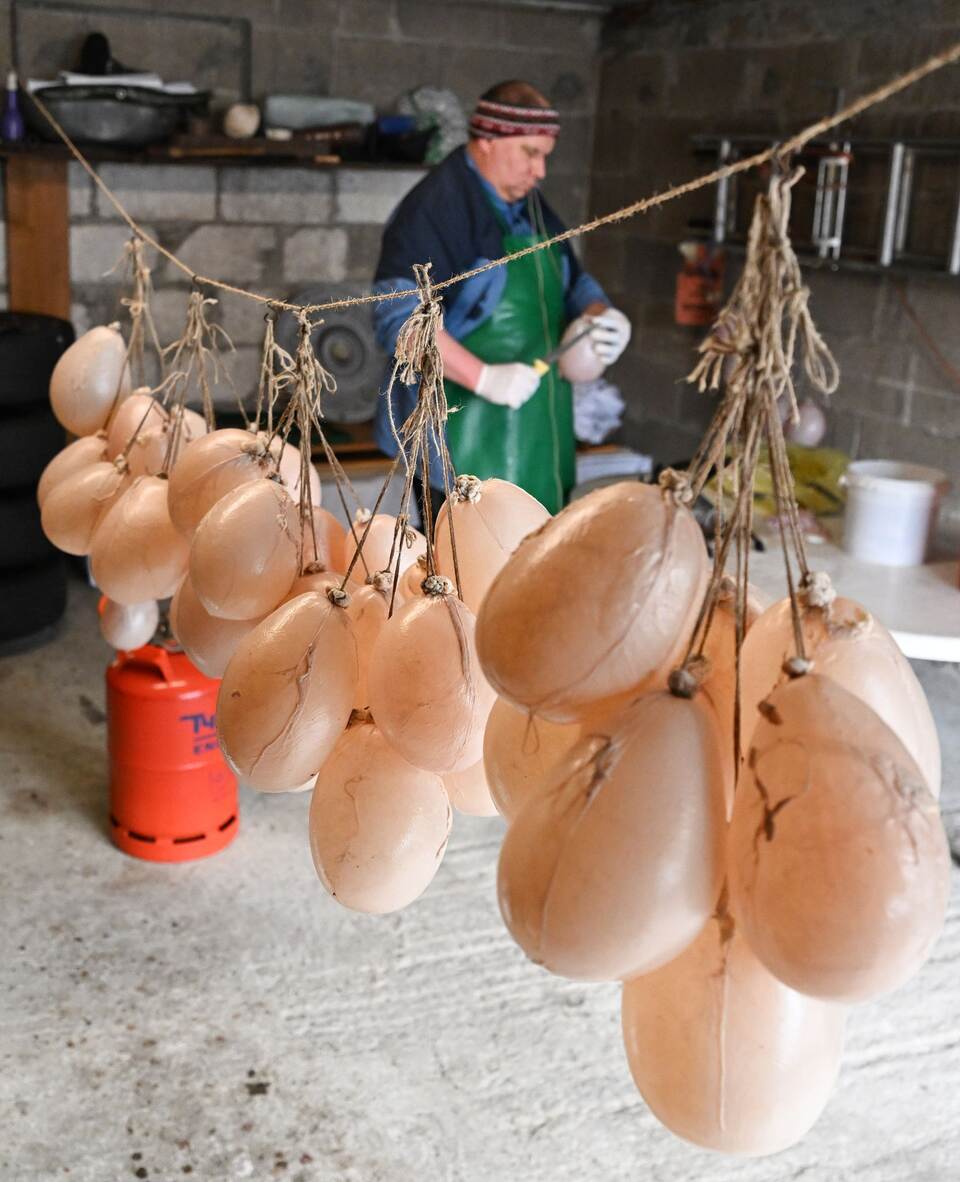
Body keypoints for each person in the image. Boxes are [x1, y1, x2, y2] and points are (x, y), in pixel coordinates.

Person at [372, 80, 631, 519]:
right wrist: (484, 377)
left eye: (545, 156)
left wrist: (600, 315)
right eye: (531, 153)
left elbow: (573, 280)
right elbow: (399, 320)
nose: (541, 171)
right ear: (489, 140)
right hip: (460, 429)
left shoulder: (530, 204)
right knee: (462, 565)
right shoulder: (434, 208)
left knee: (536, 559)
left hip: (540, 428)